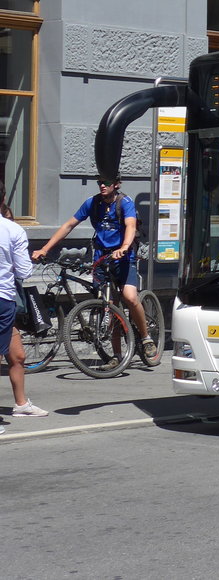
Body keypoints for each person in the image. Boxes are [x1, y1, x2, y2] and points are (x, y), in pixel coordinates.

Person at [32, 175, 156, 362]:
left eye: (106, 182)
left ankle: (146, 338)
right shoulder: (93, 203)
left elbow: (130, 225)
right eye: (100, 182)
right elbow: (68, 225)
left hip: (123, 257)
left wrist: (124, 247)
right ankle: (117, 356)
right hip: (101, 259)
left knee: (130, 297)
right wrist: (45, 248)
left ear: (116, 184)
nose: (102, 185)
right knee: (109, 307)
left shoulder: (125, 202)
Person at [1, 188, 50, 432]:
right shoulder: (13, 230)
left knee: (17, 355)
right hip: (3, 299)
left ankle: (21, 404)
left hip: (6, 301)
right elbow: (23, 271)